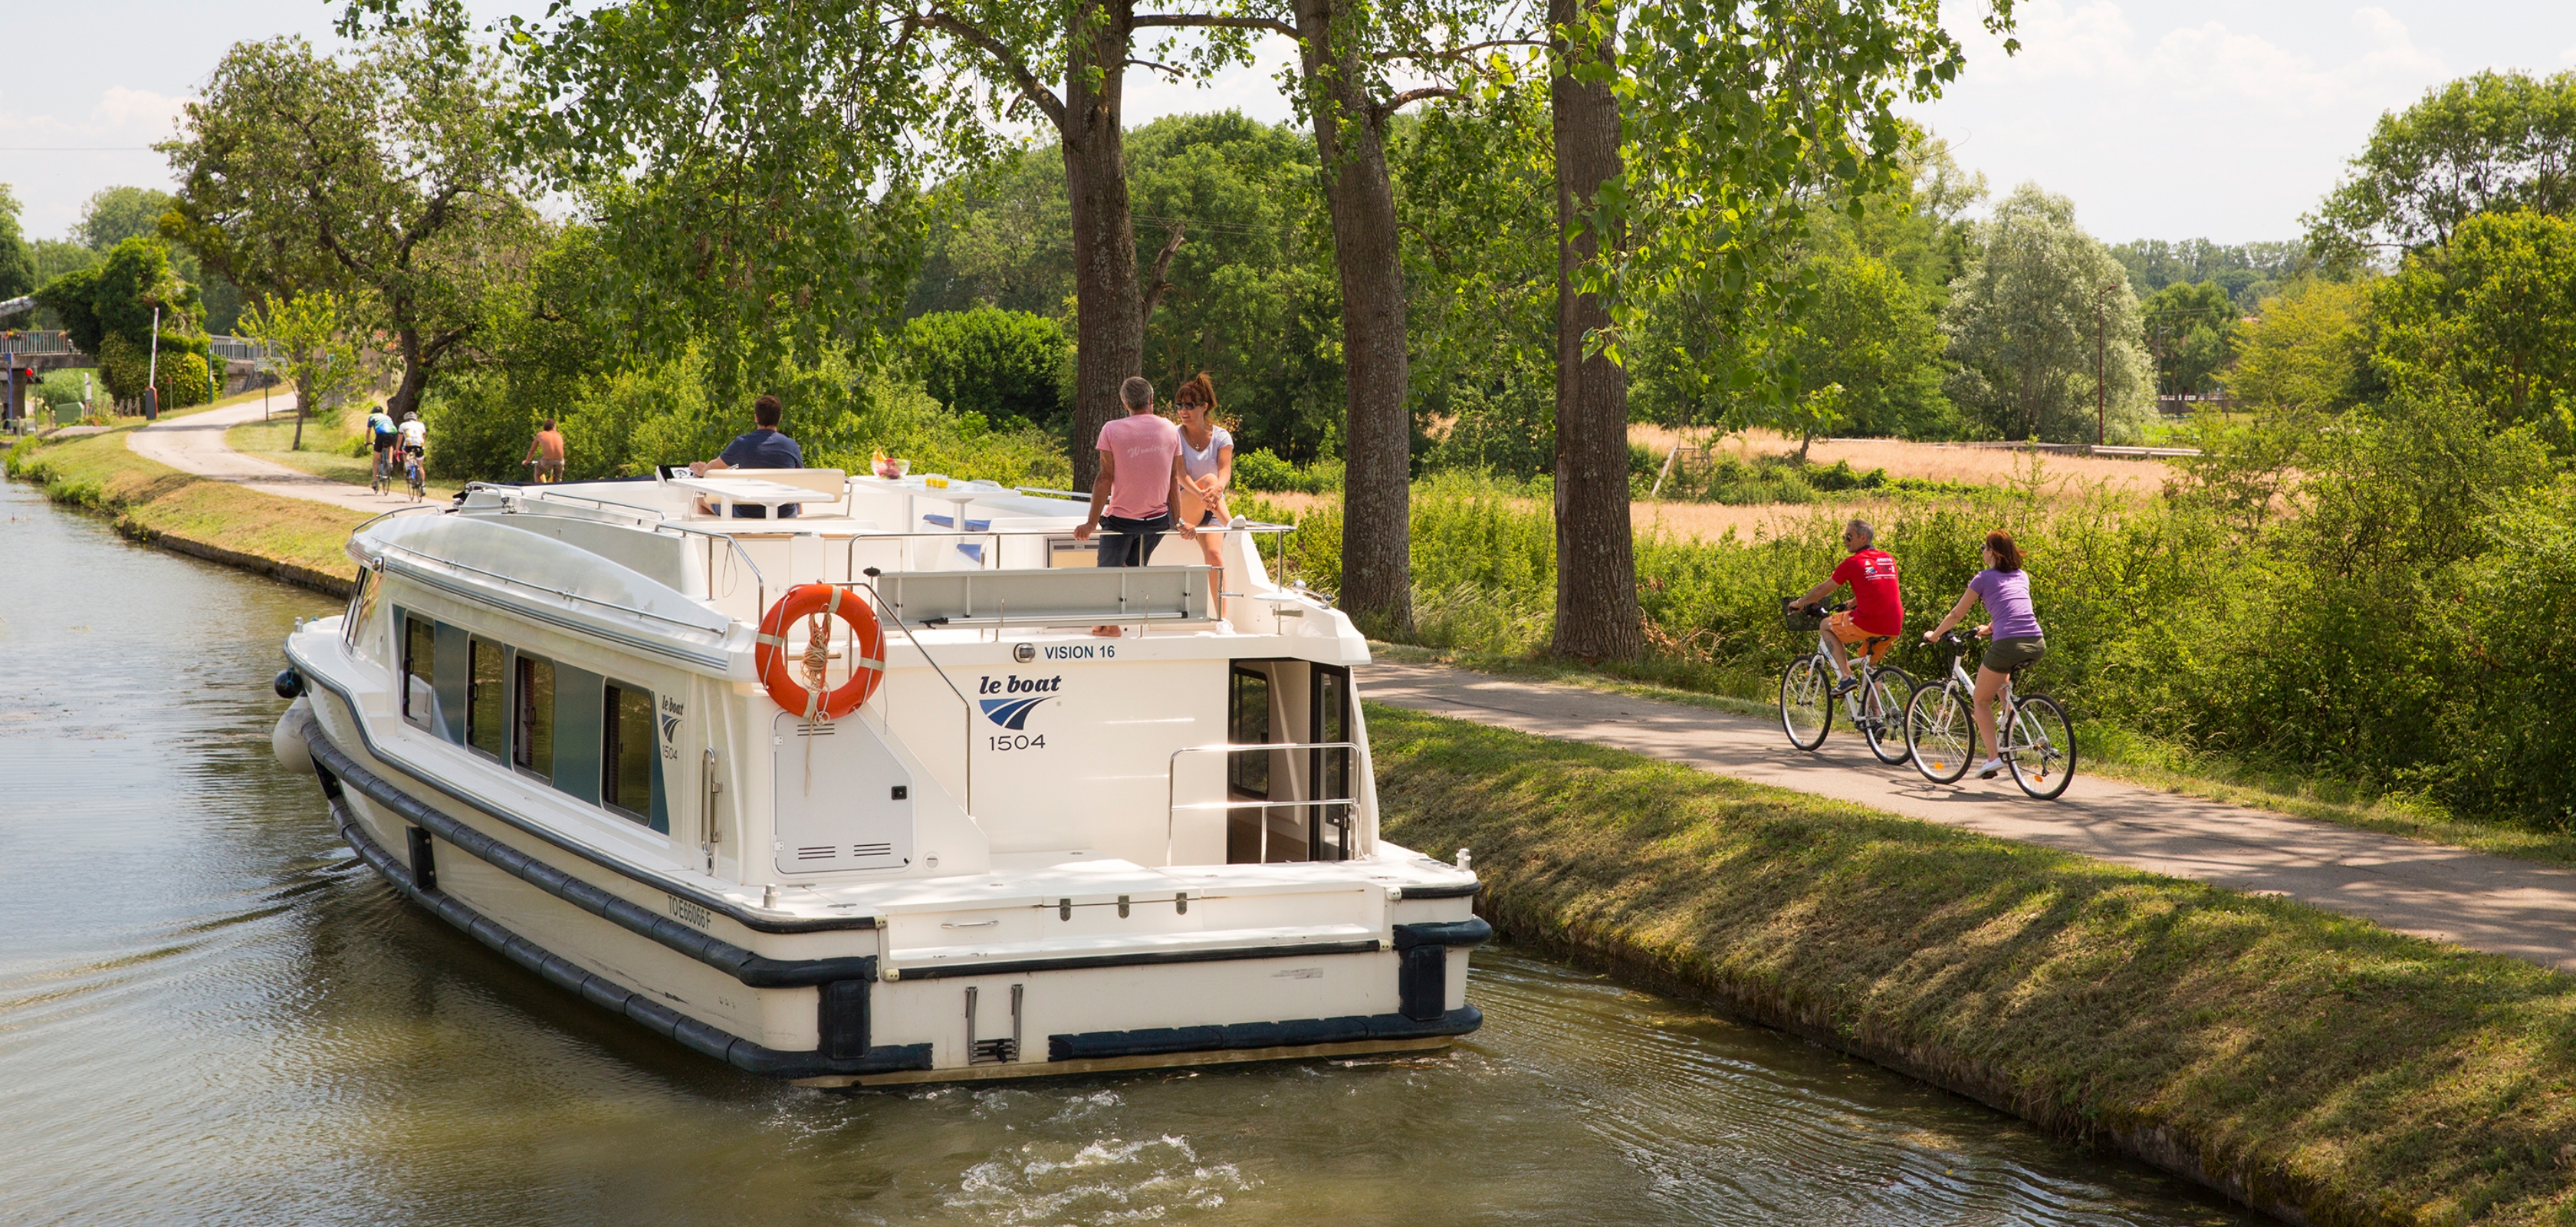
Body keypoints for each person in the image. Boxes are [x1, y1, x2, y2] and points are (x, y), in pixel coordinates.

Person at [1075, 375, 1195, 635]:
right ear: (1151, 400)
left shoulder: (1111, 429)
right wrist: (1179, 521)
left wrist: (1091, 522)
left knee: (1108, 572)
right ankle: (1112, 620)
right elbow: (1173, 481)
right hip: (1157, 522)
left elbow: (1105, 478)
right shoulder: (1169, 429)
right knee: (1132, 565)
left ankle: (1109, 625)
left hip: (1122, 523)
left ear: (1124, 403)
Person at [1923, 529, 2045, 780]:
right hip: (2036, 641)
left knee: (1980, 700)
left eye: (1983, 546)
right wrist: (1989, 628)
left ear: (1993, 552)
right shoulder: (2022, 576)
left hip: (2008, 644)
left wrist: (1935, 635)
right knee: (2000, 677)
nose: (1982, 550)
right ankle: (2008, 717)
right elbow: (2014, 610)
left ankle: (1992, 759)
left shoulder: (1982, 578)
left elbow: (1957, 614)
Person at [1792, 518, 1902, 696]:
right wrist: (1851, 604)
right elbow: (1877, 589)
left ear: (1863, 538)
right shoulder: (1888, 559)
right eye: (1844, 536)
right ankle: (1875, 718)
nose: (1845, 540)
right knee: (1870, 667)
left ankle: (1845, 677)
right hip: (1894, 625)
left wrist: (1800, 603)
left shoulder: (1853, 563)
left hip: (1868, 622)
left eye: (1849, 537)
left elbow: (1823, 589)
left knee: (1825, 626)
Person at [688, 394, 803, 518]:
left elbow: (715, 468)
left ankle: (718, 536)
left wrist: (701, 471)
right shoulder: (791, 445)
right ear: (780, 418)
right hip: (784, 513)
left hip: (747, 512)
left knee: (702, 498)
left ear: (756, 417)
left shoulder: (742, 443)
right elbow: (801, 479)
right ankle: (796, 531)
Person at [1172, 372, 1234, 569]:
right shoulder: (1174, 435)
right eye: (1179, 405)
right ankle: (1232, 527)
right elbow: (1180, 474)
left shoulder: (1221, 437)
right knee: (1209, 479)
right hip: (1183, 507)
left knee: (1215, 556)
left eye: (1189, 406)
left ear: (1204, 407)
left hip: (1213, 506)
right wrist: (1203, 494)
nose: (1183, 410)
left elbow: (1225, 470)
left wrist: (1219, 489)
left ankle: (1220, 601)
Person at [396, 411, 429, 502]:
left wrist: (396, 450)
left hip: (408, 445)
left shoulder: (403, 425)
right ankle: (423, 485)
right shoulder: (421, 425)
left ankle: (408, 469)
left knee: (405, 455)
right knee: (420, 466)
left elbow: (399, 440)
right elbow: (423, 437)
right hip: (420, 445)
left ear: (405, 419)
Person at [523, 419, 567, 483]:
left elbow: (532, 450)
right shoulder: (559, 435)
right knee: (558, 479)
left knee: (537, 474)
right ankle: (558, 487)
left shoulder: (540, 435)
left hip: (547, 461)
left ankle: (541, 488)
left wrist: (527, 461)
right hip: (560, 461)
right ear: (553, 427)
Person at [367, 406, 399, 492]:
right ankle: (390, 462)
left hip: (381, 434)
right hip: (393, 432)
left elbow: (368, 431)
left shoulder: (371, 417)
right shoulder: (387, 417)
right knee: (390, 446)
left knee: (376, 459)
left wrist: (367, 441)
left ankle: (375, 481)